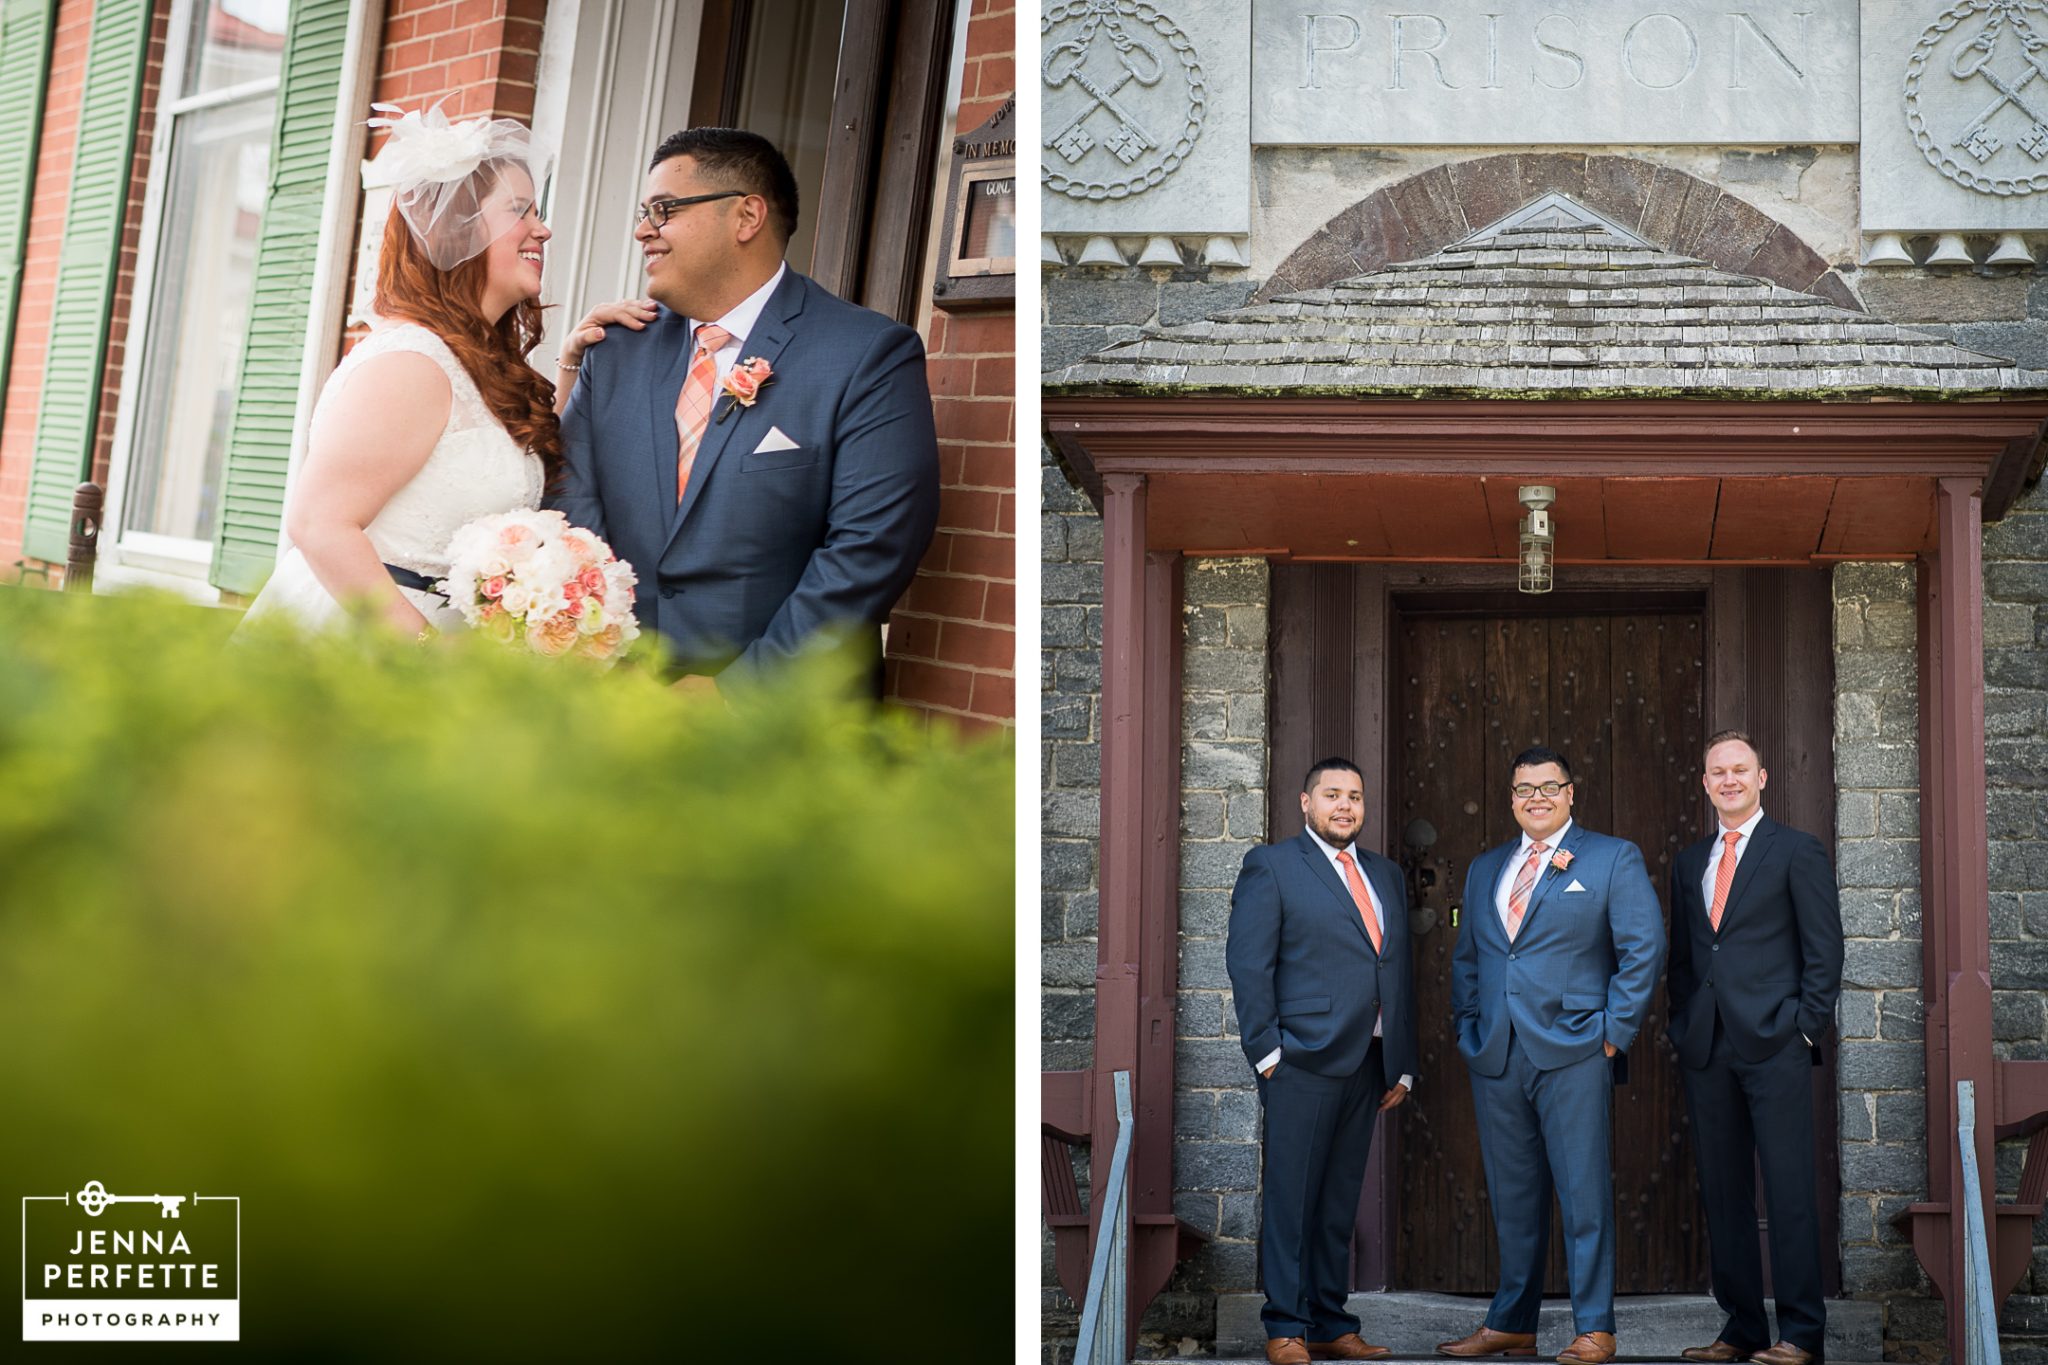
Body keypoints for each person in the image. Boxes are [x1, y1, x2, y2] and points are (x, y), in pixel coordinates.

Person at [551, 128, 939, 691]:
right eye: (643, 212)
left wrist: (734, 693)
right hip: (619, 712)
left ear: (746, 217)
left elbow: (870, 547)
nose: (643, 231)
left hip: (777, 730)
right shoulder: (615, 350)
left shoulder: (866, 354)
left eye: (664, 210)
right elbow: (571, 507)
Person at [243, 104, 556, 636]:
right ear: (457, 233)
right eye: (519, 211)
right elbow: (319, 524)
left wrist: (575, 358)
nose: (542, 230)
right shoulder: (411, 363)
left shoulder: (472, 363)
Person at [1438, 749, 1663, 1365]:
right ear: (1510, 798)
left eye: (1548, 787)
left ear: (1571, 793)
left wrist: (1612, 1033)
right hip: (1497, 1053)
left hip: (1574, 1048)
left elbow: (1643, 948)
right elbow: (1470, 959)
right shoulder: (1487, 868)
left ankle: (1595, 1326)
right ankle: (1512, 1322)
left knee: (1582, 1192)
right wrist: (1468, 1028)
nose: (1535, 797)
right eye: (1522, 789)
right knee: (1513, 1197)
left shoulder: (1610, 857)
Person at [1226, 758, 1417, 1365]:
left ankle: (1333, 1322)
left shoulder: (1386, 874)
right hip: (1300, 1061)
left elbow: (1397, 970)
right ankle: (1285, 1325)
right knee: (1292, 1198)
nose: (1345, 806)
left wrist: (1403, 1063)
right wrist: (1267, 1053)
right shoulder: (1274, 866)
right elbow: (1248, 964)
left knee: (1339, 1201)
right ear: (1304, 802)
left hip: (1370, 1062)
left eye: (1355, 796)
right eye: (1332, 795)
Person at [1670, 731, 1843, 1365]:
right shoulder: (1691, 863)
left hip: (1776, 1044)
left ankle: (1800, 1333)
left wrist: (1804, 1028)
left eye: (1740, 770)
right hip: (1708, 1047)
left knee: (1791, 1189)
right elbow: (1686, 957)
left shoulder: (1797, 851)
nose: (1729, 780)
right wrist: (1681, 1024)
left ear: (1762, 777)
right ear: (1706, 782)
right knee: (1724, 1192)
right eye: (1718, 772)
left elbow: (1825, 951)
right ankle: (1741, 1327)